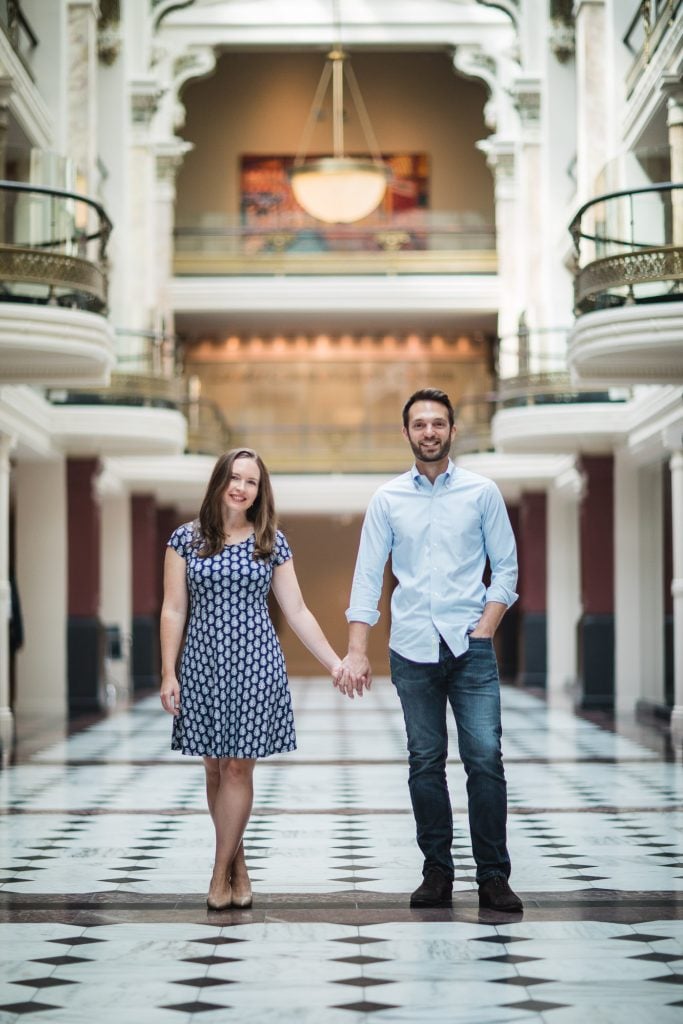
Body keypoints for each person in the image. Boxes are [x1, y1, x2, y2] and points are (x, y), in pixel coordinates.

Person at [339, 388, 522, 913]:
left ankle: (493, 877)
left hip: (472, 647)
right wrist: (356, 651)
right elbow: (368, 577)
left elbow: (505, 568)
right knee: (425, 762)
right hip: (412, 647)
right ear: (406, 433)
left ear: (451, 431)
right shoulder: (388, 499)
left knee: (485, 760)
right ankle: (437, 872)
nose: (429, 432)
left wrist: (487, 626)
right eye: (419, 424)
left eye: (437, 423)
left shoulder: (482, 493)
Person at [160, 447, 343, 911]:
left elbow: (297, 611)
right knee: (214, 767)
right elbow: (174, 608)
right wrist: (168, 670)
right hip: (201, 664)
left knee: (238, 766)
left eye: (252, 482)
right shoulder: (185, 539)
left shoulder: (270, 542)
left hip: (255, 664)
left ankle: (218, 874)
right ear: (219, 481)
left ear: (261, 491)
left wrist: (334, 663)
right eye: (235, 478)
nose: (241, 488)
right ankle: (237, 864)